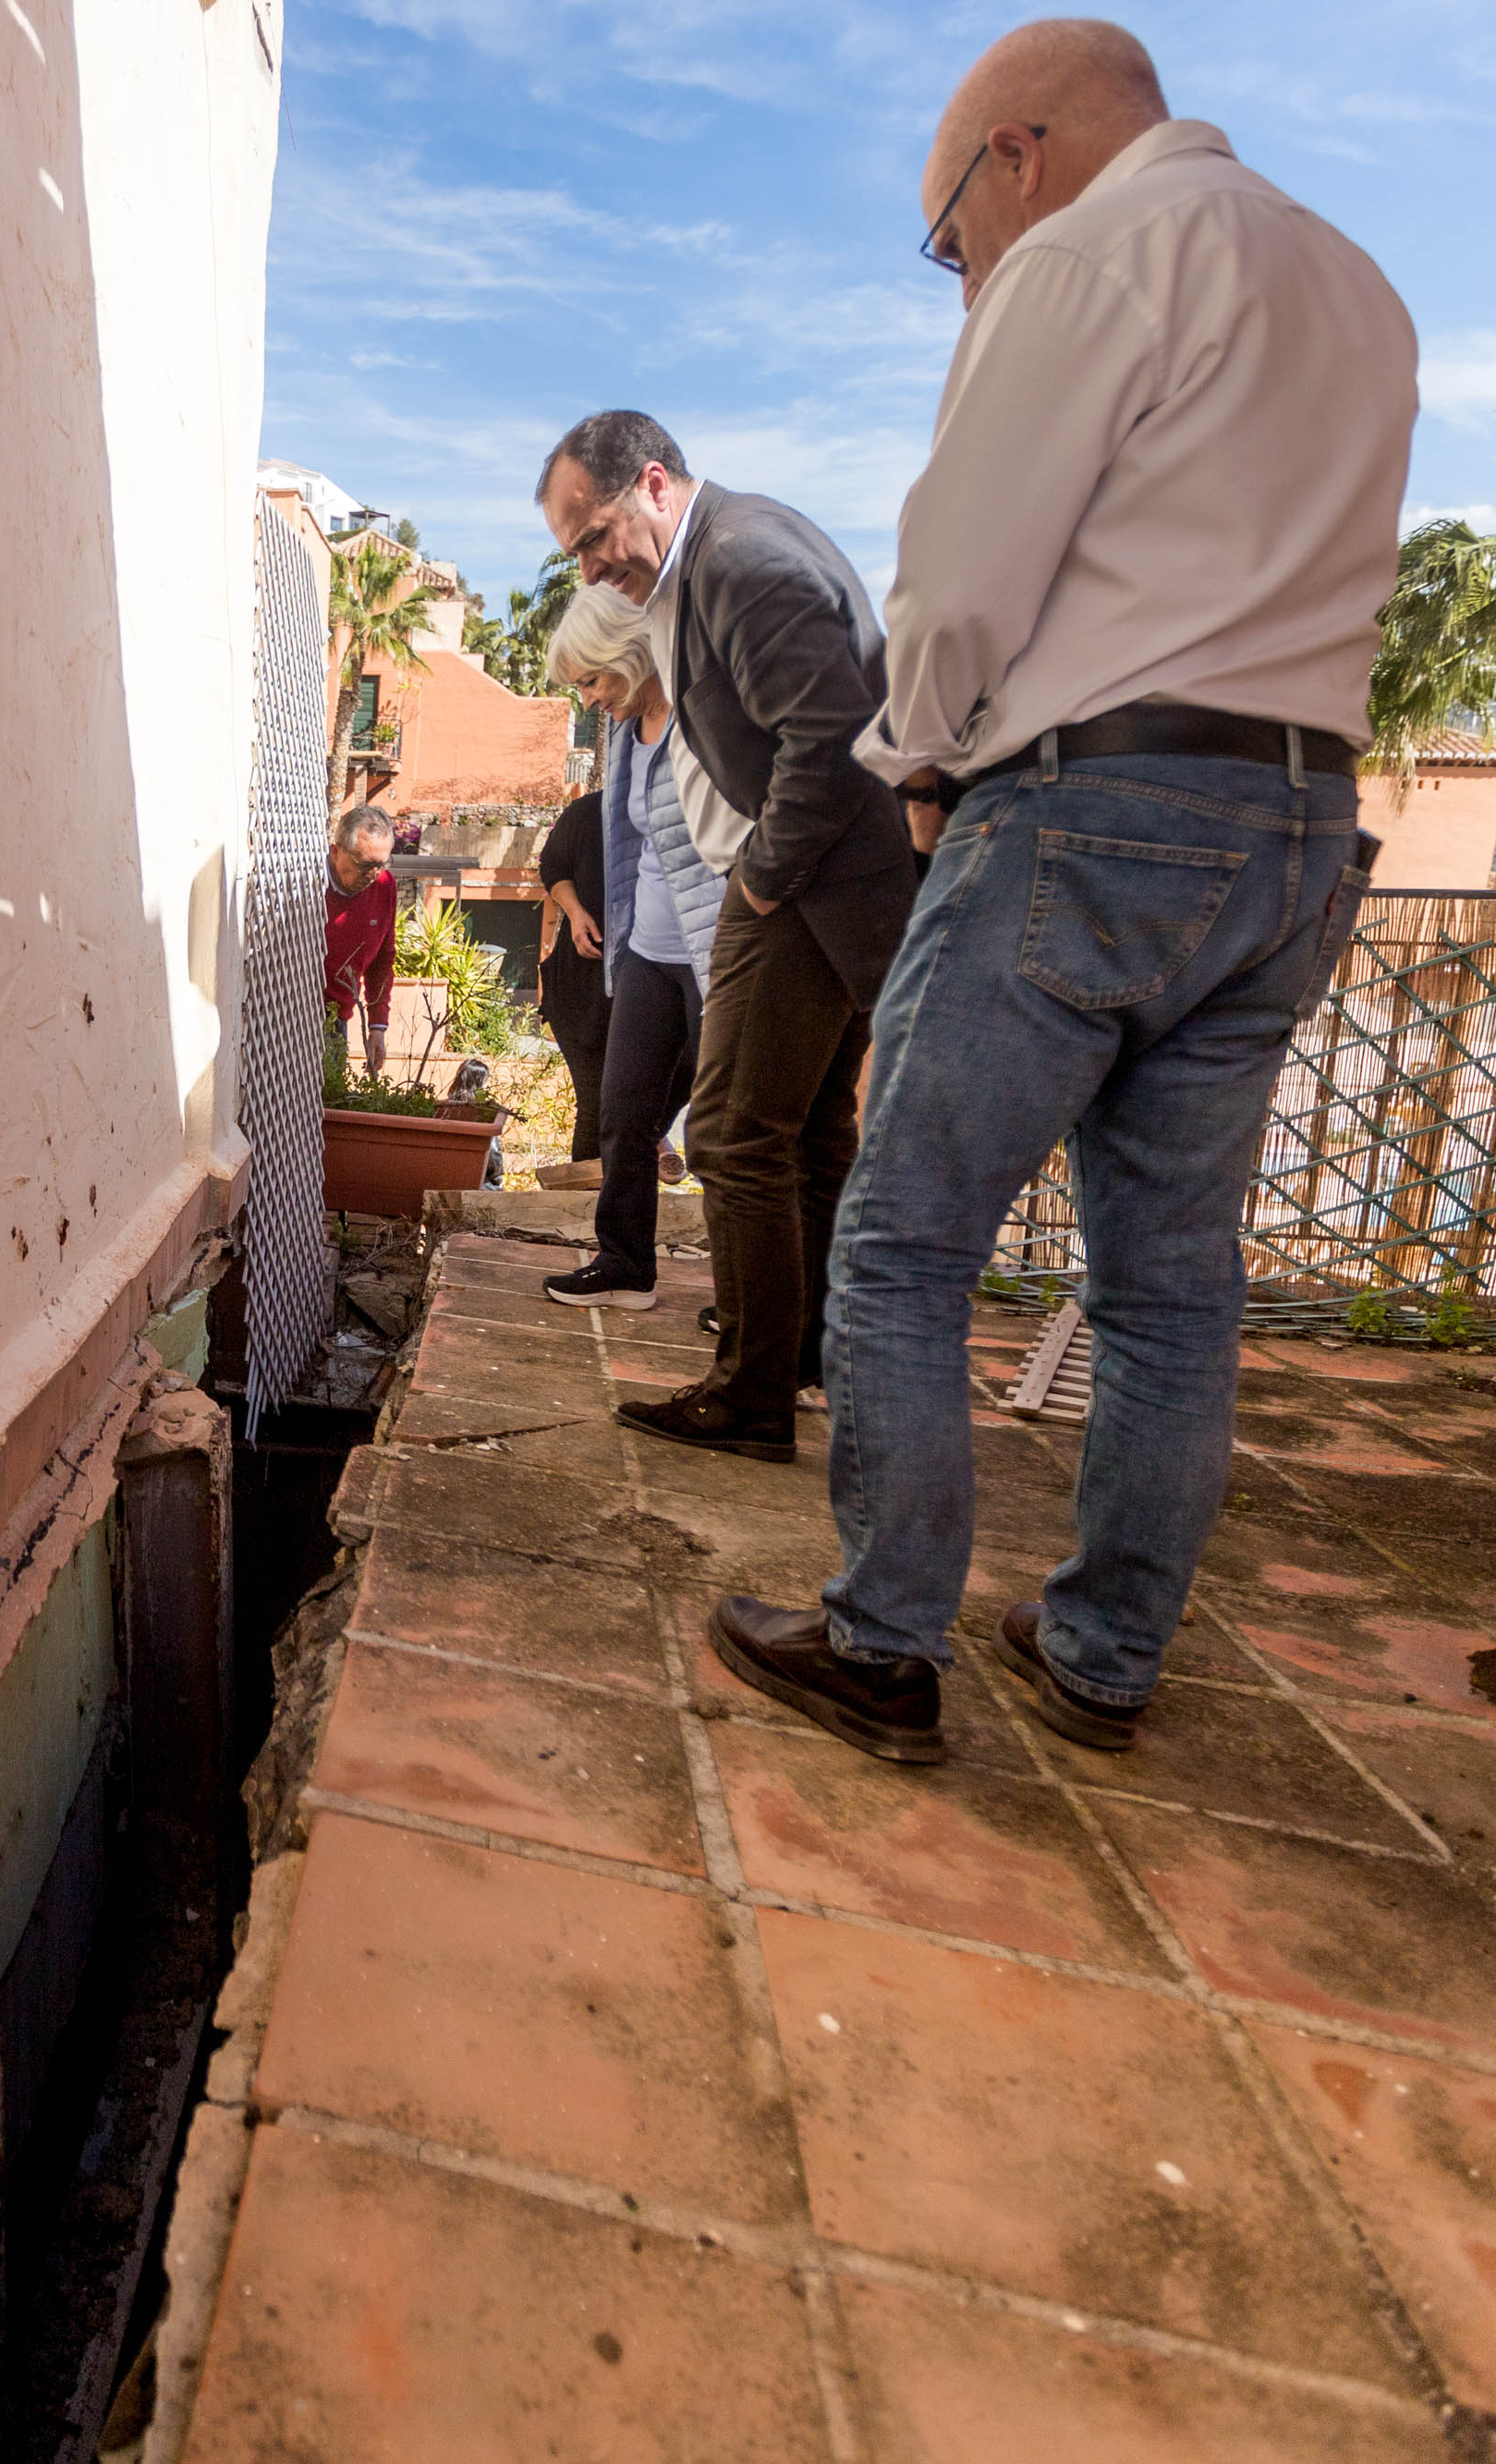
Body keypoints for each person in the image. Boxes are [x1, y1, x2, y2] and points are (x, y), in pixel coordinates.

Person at [708, 18, 1415, 1767]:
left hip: (1096, 803)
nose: (962, 279)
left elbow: (954, 586)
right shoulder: (1358, 287)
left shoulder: (1095, 254)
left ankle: (881, 1642)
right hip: (1303, 826)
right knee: (1170, 1277)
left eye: (950, 242)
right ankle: (1101, 1651)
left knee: (904, 1231)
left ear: (1013, 155)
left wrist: (933, 767)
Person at [537, 413, 915, 1460]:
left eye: (594, 531)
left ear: (654, 482)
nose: (590, 562)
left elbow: (830, 742)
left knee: (733, 1133)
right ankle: (800, 1360)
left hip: (804, 888)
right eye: (572, 548)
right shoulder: (714, 562)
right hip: (842, 892)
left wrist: (760, 876)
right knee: (807, 1136)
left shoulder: (738, 560)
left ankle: (750, 1395)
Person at [537, 591, 724, 1308]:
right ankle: (624, 1266)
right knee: (622, 1109)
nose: (588, 697)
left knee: (724, 1131)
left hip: (717, 951)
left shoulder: (704, 720)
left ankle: (756, 1304)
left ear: (629, 653)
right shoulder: (627, 732)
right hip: (647, 948)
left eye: (592, 679)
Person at [530, 787, 611, 1177]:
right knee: (596, 1105)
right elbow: (553, 866)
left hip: (653, 984)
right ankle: (587, 1217)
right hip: (581, 987)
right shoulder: (589, 811)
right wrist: (576, 912)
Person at [323, 806, 398, 1079]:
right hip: (288, 1012)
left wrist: (378, 1026)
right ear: (336, 851)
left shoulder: (384, 886)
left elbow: (382, 959)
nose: (373, 875)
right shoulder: (309, 886)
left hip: (336, 1019)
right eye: (365, 865)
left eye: (381, 865)